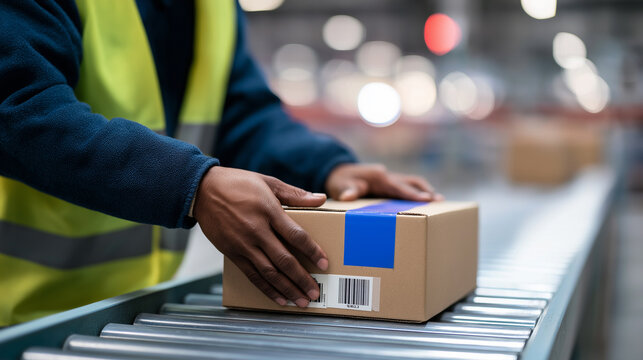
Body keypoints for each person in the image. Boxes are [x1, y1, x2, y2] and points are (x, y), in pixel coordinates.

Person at [0, 0, 440, 326]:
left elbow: (242, 114)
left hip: (129, 313)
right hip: (17, 313)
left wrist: (328, 169)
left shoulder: (212, 8)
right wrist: (193, 185)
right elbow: (17, 108)